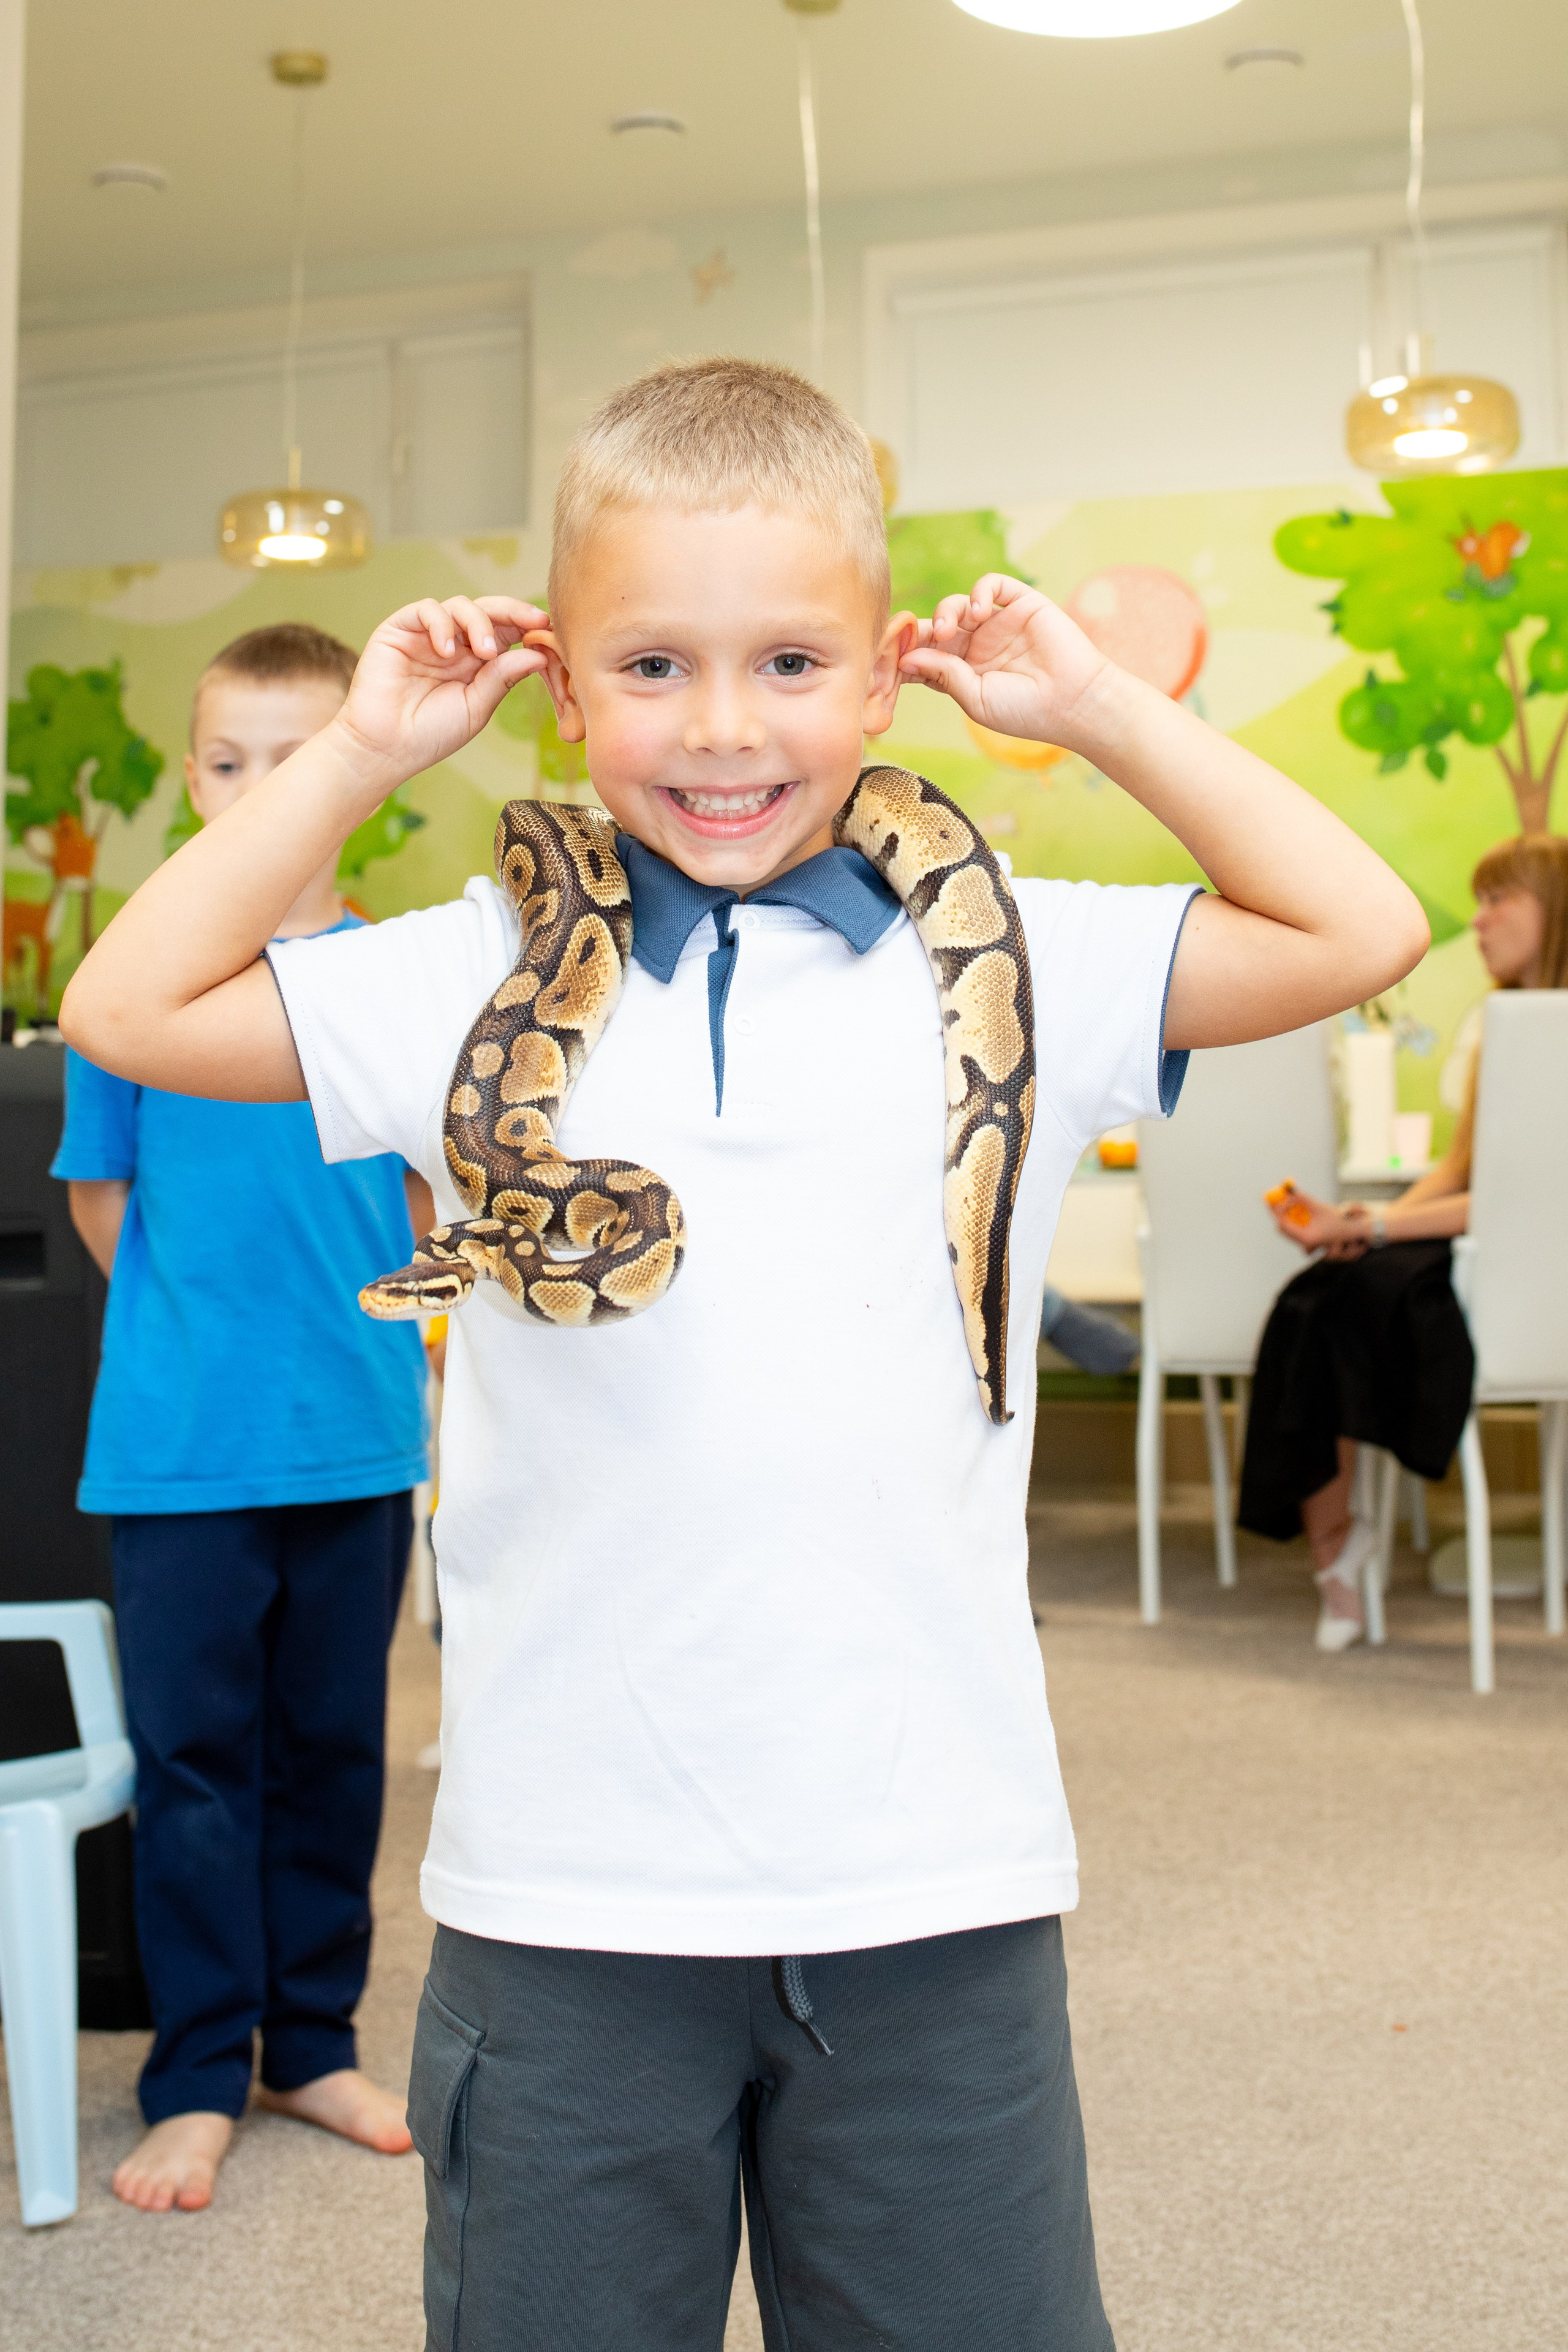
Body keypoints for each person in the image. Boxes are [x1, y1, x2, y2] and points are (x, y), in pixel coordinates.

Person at [61, 361, 1425, 2349]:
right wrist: (355, 752)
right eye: (652, 666)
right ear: (560, 689)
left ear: (883, 680)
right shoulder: (464, 971)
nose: (720, 726)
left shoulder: (1020, 950)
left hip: (934, 1877)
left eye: (790, 662)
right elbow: (127, 1009)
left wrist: (1103, 711)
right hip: (562, 1899)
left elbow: (1361, 925)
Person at [53, 623, 431, 2213]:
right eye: (229, 762)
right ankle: (201, 2071)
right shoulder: (140, 974)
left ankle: (311, 2042)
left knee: (336, 1752)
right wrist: (206, 1331)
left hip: (358, 1435)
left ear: (362, 776)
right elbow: (103, 1199)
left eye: (299, 759)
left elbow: (431, 1195)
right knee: (198, 1766)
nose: (261, 790)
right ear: (195, 781)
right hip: (181, 1449)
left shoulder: (409, 977)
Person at [1239, 833, 1568, 1651]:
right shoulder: (1498, 1028)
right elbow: (1461, 1170)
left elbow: (1511, 1204)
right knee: (1316, 1295)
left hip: (1522, 1279)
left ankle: (1337, 1551)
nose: (1479, 921)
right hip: (1483, 1256)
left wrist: (1373, 1226)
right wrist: (1357, 1226)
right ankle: (1335, 1548)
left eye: (1499, 900)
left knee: (1335, 1306)